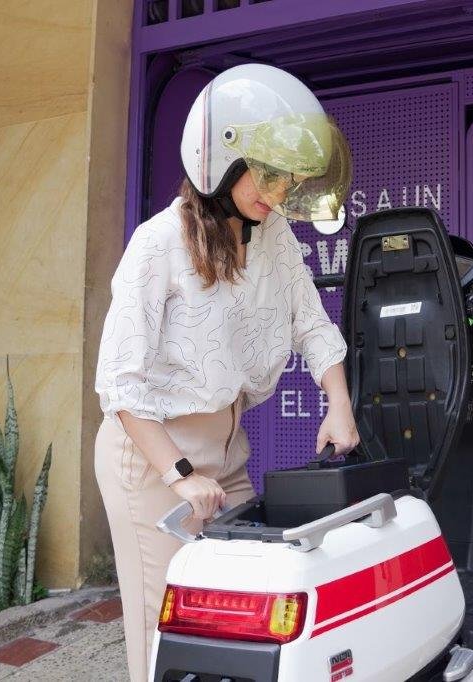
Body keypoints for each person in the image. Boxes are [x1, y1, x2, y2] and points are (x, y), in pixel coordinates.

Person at [93, 63, 358, 682]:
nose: (280, 190)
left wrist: (339, 403)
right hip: (153, 462)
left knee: (244, 611)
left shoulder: (274, 236)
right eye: (268, 173)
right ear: (220, 157)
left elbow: (312, 323)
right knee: (166, 631)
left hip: (227, 453)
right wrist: (178, 475)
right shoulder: (157, 244)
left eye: (289, 177)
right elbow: (120, 384)